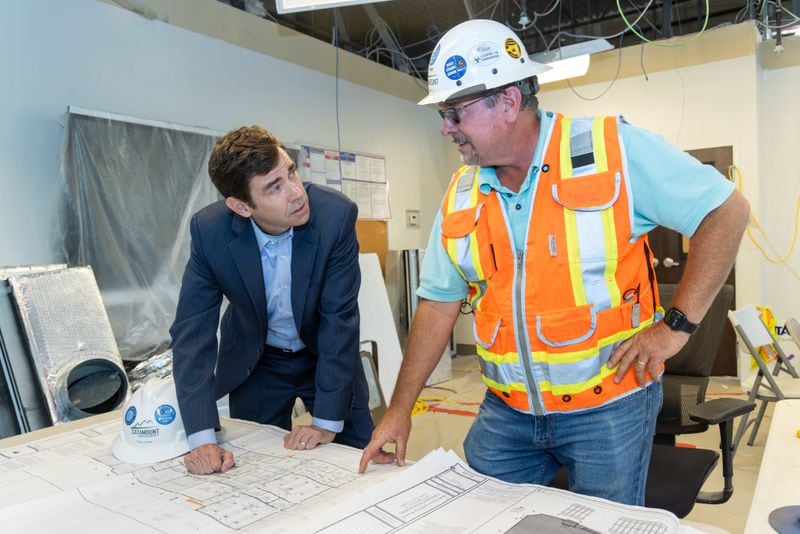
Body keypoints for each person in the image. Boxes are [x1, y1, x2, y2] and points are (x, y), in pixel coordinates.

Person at [359, 19, 750, 506]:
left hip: (608, 408)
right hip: (506, 413)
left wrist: (676, 326)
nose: (445, 128)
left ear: (507, 102)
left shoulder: (613, 150)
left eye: (455, 113)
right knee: (483, 517)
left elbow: (726, 212)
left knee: (597, 524)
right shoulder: (461, 194)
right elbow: (439, 304)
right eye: (443, 113)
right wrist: (400, 408)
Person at [171, 125, 373, 475]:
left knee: (354, 465)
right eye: (274, 187)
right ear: (241, 206)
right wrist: (201, 438)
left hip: (324, 354)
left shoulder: (335, 216)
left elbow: (338, 321)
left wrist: (325, 423)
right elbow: (192, 333)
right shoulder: (210, 232)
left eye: (291, 172)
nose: (296, 193)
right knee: (258, 469)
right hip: (258, 362)